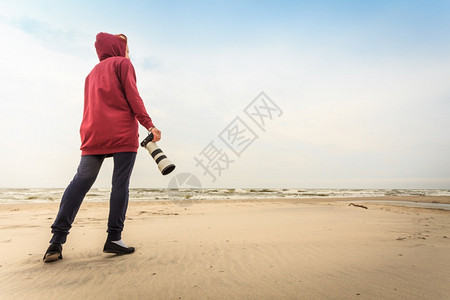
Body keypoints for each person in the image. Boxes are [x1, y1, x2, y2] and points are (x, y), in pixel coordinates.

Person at [43, 32, 161, 262]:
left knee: (80, 182)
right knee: (120, 184)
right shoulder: (123, 64)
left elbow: (90, 107)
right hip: (121, 132)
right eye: (127, 48)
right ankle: (114, 238)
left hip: (92, 134)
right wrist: (150, 125)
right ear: (119, 48)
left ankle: (56, 242)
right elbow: (133, 97)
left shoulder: (91, 74)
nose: (129, 53)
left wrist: (88, 134)